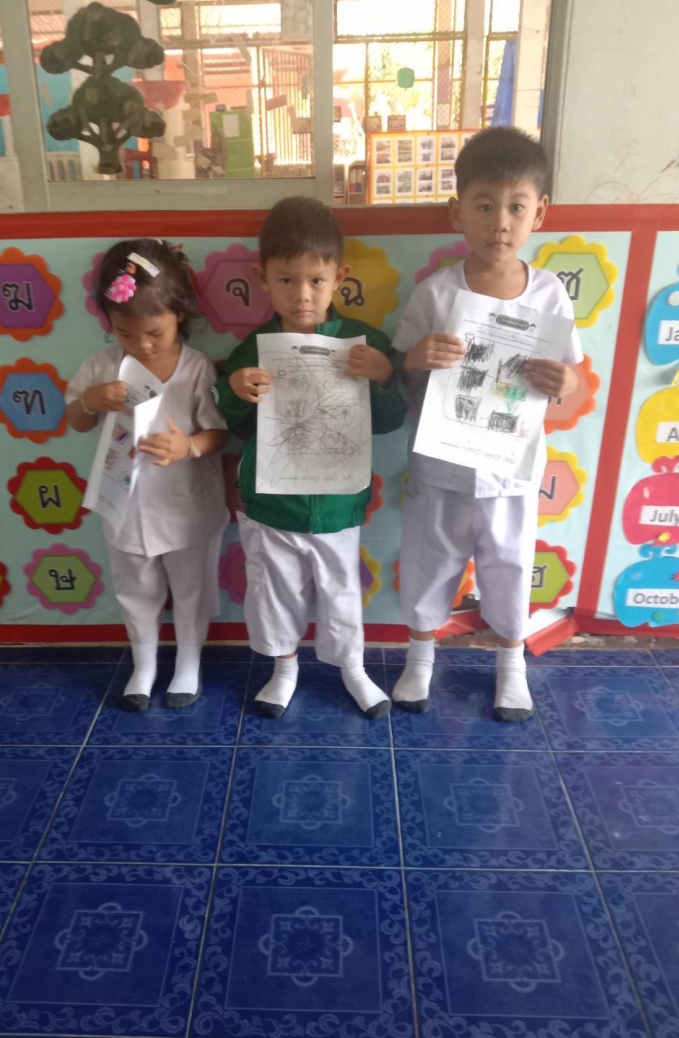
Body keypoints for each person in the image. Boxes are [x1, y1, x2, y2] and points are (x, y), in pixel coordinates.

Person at [392, 127, 582, 722]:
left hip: (511, 469)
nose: (500, 222)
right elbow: (402, 374)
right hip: (442, 466)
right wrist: (417, 359)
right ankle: (419, 659)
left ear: (539, 213)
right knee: (429, 563)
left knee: (510, 566)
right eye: (484, 205)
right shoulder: (435, 293)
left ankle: (510, 666)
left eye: (516, 207)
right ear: (458, 212)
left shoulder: (549, 295)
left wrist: (565, 382)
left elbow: (572, 379)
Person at [213, 197, 407, 719]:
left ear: (339, 276)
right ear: (262, 277)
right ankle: (284, 668)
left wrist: (383, 376)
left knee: (341, 591)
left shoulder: (362, 343)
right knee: (273, 591)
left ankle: (353, 668)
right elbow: (234, 422)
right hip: (272, 504)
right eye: (286, 280)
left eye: (316, 280)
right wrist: (235, 389)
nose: (302, 295)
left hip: (338, 502)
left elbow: (389, 421)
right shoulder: (256, 347)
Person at [67, 239, 228, 712]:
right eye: (125, 333)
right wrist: (90, 401)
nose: (141, 345)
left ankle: (189, 663)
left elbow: (219, 433)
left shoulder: (195, 368)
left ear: (180, 314)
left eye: (154, 332)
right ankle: (143, 664)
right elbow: (77, 421)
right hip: (124, 505)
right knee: (135, 589)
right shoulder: (102, 366)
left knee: (192, 587)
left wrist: (188, 446)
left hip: (186, 504)